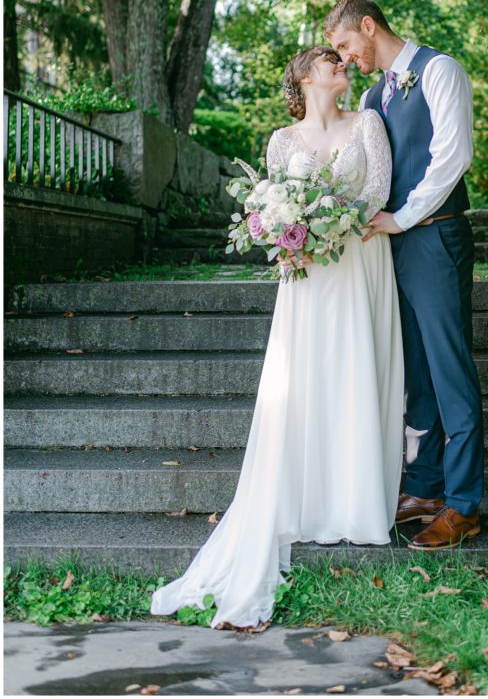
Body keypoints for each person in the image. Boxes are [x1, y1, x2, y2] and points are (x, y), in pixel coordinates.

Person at [149, 45, 404, 628]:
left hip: (361, 261)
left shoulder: (370, 121)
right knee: (307, 383)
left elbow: (379, 193)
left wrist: (329, 219)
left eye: (343, 59)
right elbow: (272, 209)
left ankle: (358, 504)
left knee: (359, 375)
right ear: (305, 77)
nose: (341, 64)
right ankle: (309, 501)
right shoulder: (281, 142)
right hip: (308, 276)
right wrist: (296, 227)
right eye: (329, 60)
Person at [325, 0, 484, 551]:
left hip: (436, 236)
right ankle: (423, 486)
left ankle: (463, 504)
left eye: (347, 45)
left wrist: (404, 218)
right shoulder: (374, 96)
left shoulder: (441, 71)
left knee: (449, 368)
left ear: (369, 26)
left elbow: (451, 157)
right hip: (391, 246)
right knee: (414, 370)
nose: (345, 59)